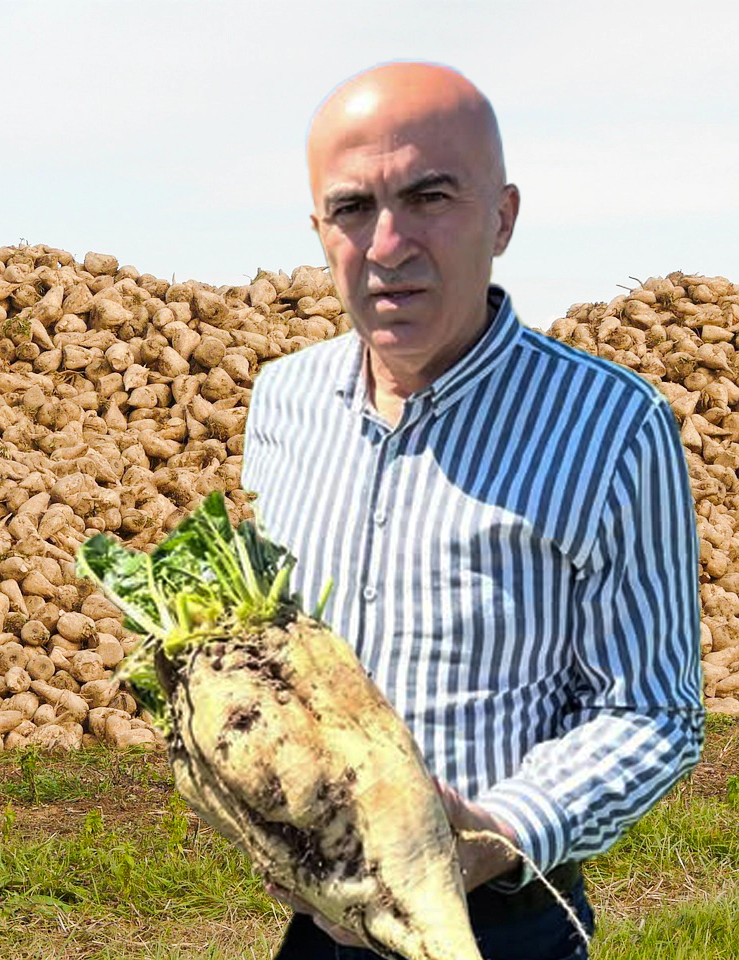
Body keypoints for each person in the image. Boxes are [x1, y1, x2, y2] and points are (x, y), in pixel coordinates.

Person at [240, 61, 705, 960]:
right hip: (317, 924)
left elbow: (653, 710)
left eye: (429, 197)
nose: (386, 245)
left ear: (503, 217)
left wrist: (490, 832)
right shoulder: (282, 405)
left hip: (501, 926)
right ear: (318, 229)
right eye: (351, 210)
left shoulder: (612, 427)